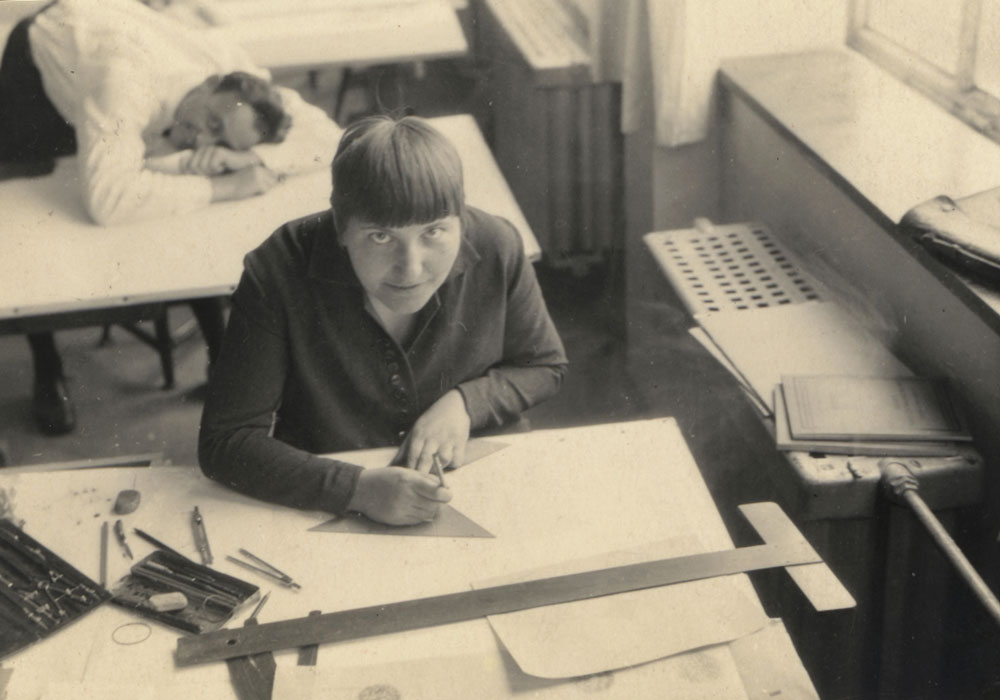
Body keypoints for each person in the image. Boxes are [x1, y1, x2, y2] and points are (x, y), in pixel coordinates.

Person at [199, 115, 568, 525]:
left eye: (434, 232)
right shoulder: (277, 269)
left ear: (459, 217)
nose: (410, 270)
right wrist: (355, 488)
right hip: (327, 502)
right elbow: (226, 442)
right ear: (340, 225)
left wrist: (465, 404)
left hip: (481, 478)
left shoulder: (498, 244)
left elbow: (543, 365)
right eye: (380, 237)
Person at [0, 0, 343, 435]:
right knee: (33, 212)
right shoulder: (122, 82)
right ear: (207, 87)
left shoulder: (228, 66)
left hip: (114, 29)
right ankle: (47, 365)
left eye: (221, 136)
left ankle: (222, 357)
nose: (202, 136)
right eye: (212, 122)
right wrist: (223, 184)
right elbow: (109, 199)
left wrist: (245, 155)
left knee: (178, 211)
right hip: (39, 61)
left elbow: (328, 135)